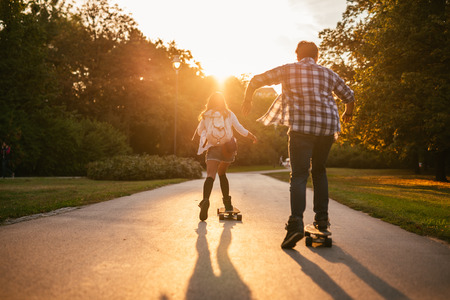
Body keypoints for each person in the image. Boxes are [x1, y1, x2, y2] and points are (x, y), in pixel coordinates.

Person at [242, 41, 355, 248]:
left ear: (297, 56)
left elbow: (257, 80)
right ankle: (322, 220)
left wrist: (248, 100)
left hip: (301, 128)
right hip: (326, 127)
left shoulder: (288, 69)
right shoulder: (328, 73)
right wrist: (348, 112)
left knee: (300, 174)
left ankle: (296, 223)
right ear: (317, 56)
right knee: (319, 171)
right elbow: (349, 95)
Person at [195, 92, 257, 221]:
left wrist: (208, 133)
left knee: (210, 175)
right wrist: (251, 136)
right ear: (223, 101)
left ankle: (205, 200)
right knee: (222, 174)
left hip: (213, 148)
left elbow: (200, 131)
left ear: (210, 102)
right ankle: (227, 203)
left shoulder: (206, 115)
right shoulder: (229, 114)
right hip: (227, 149)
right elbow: (239, 128)